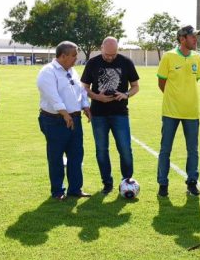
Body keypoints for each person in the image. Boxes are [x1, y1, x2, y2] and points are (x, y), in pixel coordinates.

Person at [80, 37, 140, 193]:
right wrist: (96, 96)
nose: (110, 58)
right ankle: (107, 183)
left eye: (113, 55)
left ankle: (127, 182)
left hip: (120, 113)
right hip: (98, 114)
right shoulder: (92, 63)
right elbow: (84, 88)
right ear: (101, 48)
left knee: (125, 148)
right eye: (107, 55)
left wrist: (125, 94)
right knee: (101, 150)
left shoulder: (126, 62)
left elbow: (135, 86)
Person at [36, 41, 92, 200]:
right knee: (56, 157)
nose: (76, 58)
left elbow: (80, 91)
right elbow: (52, 96)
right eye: (74, 55)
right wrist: (65, 114)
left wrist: (85, 106)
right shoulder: (47, 72)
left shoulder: (72, 71)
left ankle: (75, 189)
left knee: (76, 155)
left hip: (74, 119)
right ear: (63, 56)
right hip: (55, 120)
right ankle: (58, 191)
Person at [156, 25, 200, 197]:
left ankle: (192, 182)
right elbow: (162, 82)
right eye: (192, 37)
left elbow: (194, 80)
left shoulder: (197, 58)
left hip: (192, 112)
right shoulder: (169, 56)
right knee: (165, 149)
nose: (195, 40)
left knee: (193, 150)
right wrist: (173, 98)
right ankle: (163, 184)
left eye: (195, 37)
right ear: (182, 39)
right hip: (170, 112)